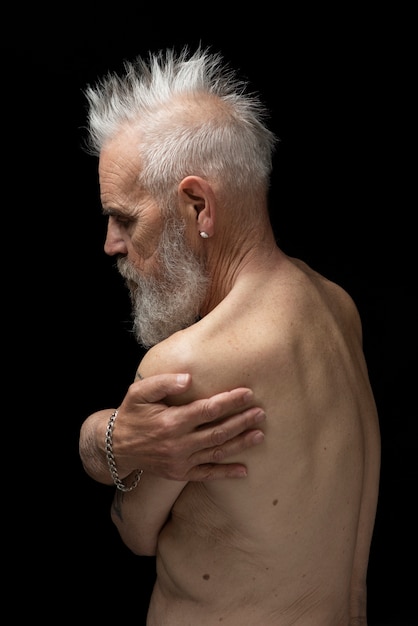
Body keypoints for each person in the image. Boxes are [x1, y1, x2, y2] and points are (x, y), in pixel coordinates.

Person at [78, 46, 381, 625]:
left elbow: (133, 531)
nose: (111, 244)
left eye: (125, 217)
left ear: (198, 206)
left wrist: (100, 436)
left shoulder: (192, 364)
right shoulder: (338, 307)